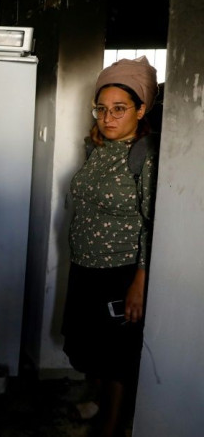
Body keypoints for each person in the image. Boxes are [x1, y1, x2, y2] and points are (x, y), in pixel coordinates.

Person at [62, 56, 160, 437]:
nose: (108, 117)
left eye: (119, 109)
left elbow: (152, 222)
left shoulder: (145, 156)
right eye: (101, 109)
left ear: (140, 109)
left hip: (120, 272)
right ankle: (99, 402)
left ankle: (111, 424)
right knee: (92, 346)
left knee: (118, 353)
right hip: (85, 267)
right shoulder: (97, 149)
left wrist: (140, 281)